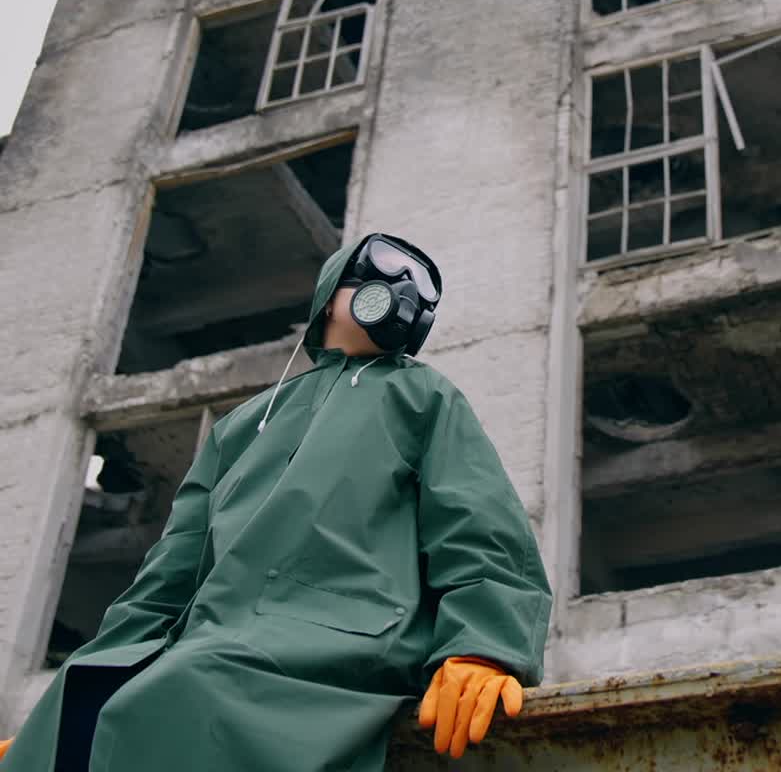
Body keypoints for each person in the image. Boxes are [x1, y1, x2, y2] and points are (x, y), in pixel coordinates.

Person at [0, 233, 551, 769]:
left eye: (420, 286)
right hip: (220, 638)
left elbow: (478, 522)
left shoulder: (422, 395)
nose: (404, 289)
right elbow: (170, 571)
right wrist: (70, 707)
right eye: (385, 269)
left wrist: (482, 647)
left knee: (192, 687)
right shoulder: (242, 425)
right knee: (86, 694)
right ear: (331, 293)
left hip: (342, 644)